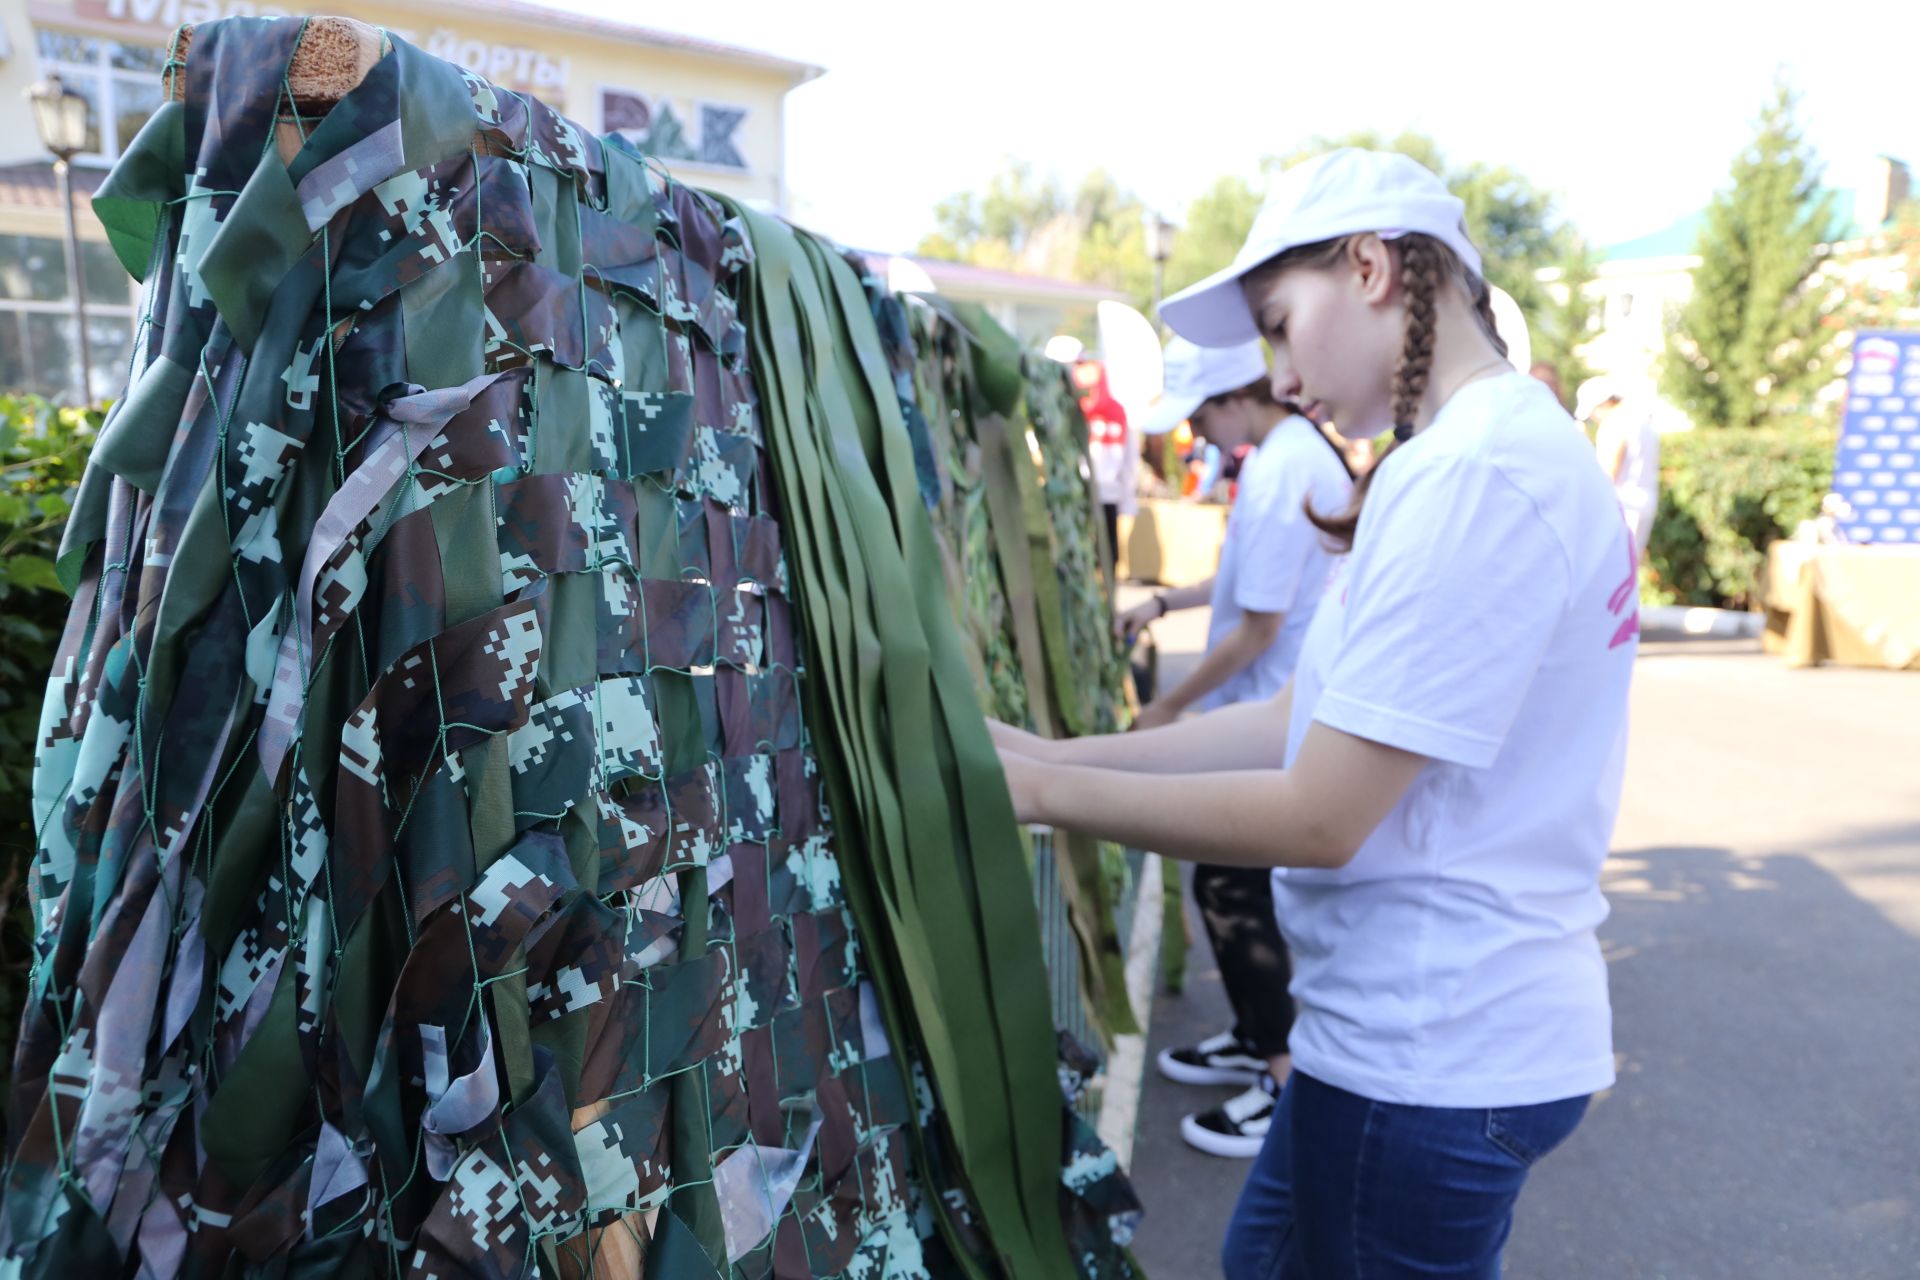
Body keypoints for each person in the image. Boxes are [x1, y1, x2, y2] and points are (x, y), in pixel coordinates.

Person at [991, 149, 1638, 1279]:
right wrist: (1056, 753)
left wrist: (1044, 790)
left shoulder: (1477, 474)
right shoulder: (1461, 458)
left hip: (1427, 1050)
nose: (1281, 377)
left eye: (1282, 326)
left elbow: (1320, 811)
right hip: (1405, 1041)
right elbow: (1297, 715)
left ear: (1373, 267)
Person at [1117, 338, 1353, 1157]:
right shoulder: (1282, 458)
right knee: (1232, 885)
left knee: (1236, 889)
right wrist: (1162, 605)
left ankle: (1283, 1075)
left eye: (1201, 415)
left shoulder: (1285, 466)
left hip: (1270, 716)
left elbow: (1257, 625)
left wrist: (1170, 706)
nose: (1201, 433)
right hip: (1266, 712)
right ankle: (1259, 1040)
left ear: (1233, 397)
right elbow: (1248, 579)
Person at [1578, 375, 1662, 563]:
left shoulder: (1614, 423)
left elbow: (1608, 473)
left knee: (1614, 569)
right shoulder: (1639, 419)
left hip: (1623, 504)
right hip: (1643, 500)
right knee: (1629, 567)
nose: (1594, 418)